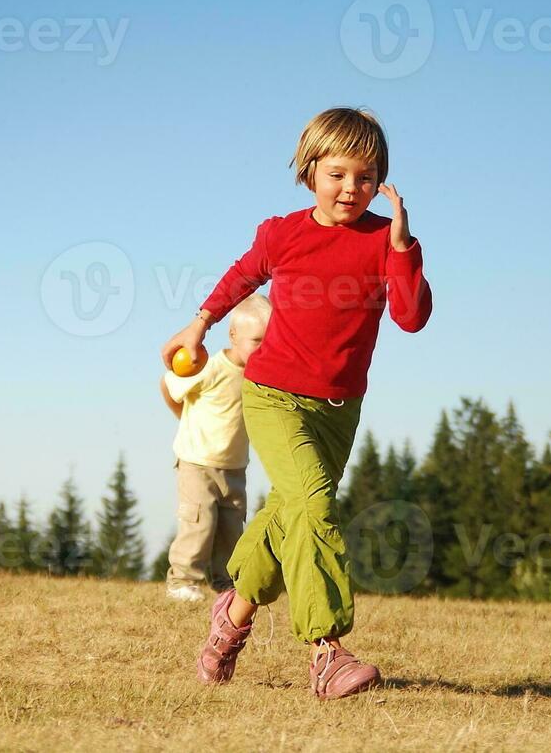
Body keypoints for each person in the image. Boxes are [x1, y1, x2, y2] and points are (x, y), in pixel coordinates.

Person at [159, 107, 431, 700]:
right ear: (310, 172)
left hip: (339, 409)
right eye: (337, 174)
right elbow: (241, 276)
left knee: (289, 515)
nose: (351, 189)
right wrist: (199, 323)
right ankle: (326, 652)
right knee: (313, 506)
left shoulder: (388, 243)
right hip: (274, 395)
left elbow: (411, 319)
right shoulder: (282, 233)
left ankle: (229, 621)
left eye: (365, 177)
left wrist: (403, 243)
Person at [159, 294, 271, 603]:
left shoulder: (260, 375)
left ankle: (226, 583)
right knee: (199, 522)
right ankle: (183, 580)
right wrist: (182, 417)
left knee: (231, 527)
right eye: (256, 340)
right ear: (233, 335)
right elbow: (169, 385)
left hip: (235, 465)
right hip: (197, 461)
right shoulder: (211, 367)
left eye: (268, 341)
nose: (262, 348)